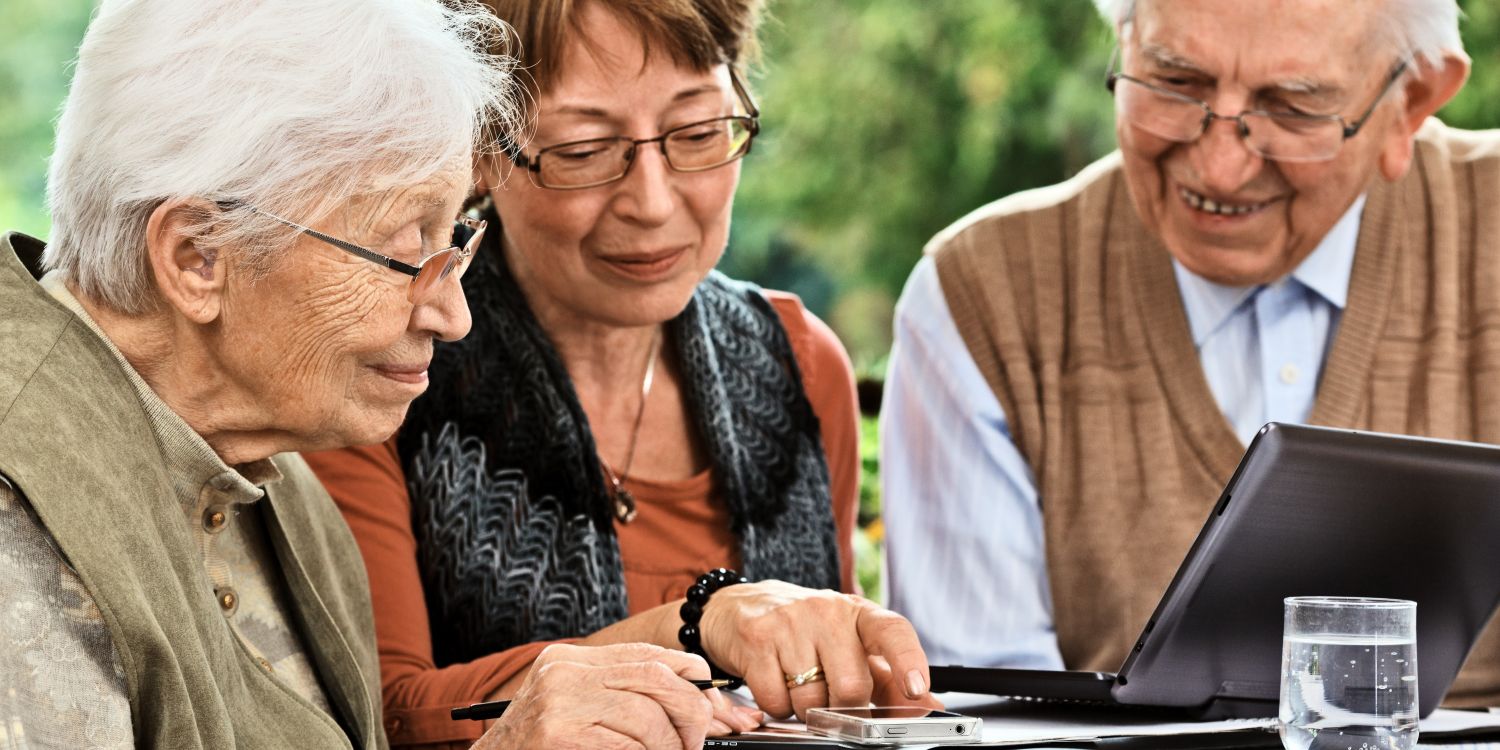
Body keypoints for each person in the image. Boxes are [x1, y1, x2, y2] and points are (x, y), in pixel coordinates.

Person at [0, 0, 745, 746]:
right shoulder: (21, 514)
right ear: (198, 256)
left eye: (452, 236)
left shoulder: (280, 474)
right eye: (403, 249)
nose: (454, 316)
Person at [302, 0, 935, 745]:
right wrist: (697, 626)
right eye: (582, 150)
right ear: (479, 151)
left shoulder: (798, 362)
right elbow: (374, 714)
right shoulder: (383, 366)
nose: (654, 202)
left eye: (700, 134)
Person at [882, 0, 1500, 707]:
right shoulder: (984, 295)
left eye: (1293, 107)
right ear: (1123, 43)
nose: (1221, 167)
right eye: (1175, 84)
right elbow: (982, 708)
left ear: (1412, 100)